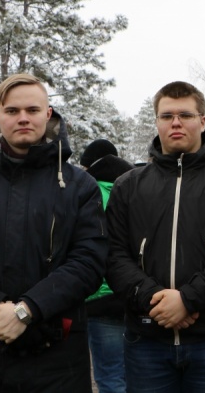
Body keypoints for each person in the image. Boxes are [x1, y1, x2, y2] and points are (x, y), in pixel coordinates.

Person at [0, 73, 108, 392]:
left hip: (57, 360)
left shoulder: (80, 186)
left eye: (32, 110)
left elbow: (89, 263)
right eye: (12, 111)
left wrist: (27, 310)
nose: (23, 118)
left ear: (48, 114)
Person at [106, 81, 205, 393]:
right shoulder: (128, 185)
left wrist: (188, 299)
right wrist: (155, 300)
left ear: (202, 121)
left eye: (185, 115)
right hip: (147, 338)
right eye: (166, 116)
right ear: (157, 122)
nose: (175, 122)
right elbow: (112, 253)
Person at [80, 139, 135, 393]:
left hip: (100, 298)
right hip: (138, 294)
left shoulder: (85, 193)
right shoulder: (139, 189)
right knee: (142, 372)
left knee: (111, 375)